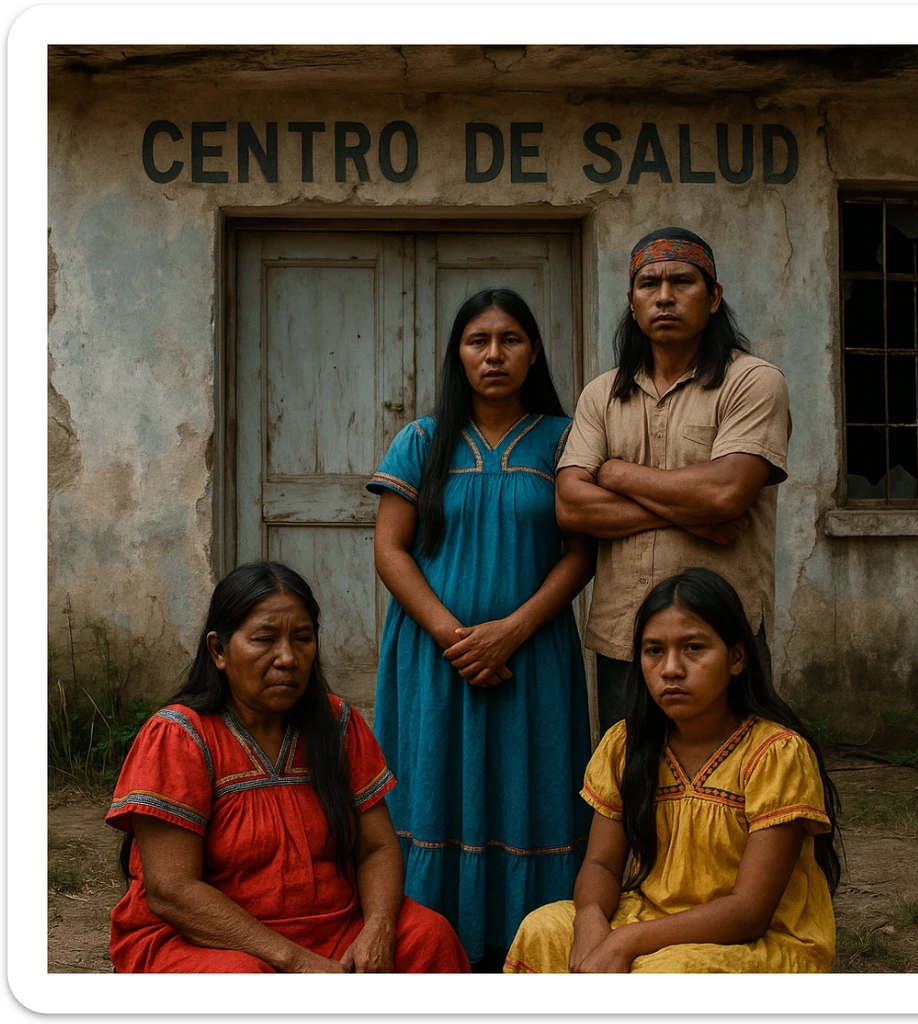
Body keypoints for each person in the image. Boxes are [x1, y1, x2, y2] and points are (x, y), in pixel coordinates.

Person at [367, 288, 595, 969]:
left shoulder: (564, 441)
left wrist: (512, 631)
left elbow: (581, 553)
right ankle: (427, 944)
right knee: (433, 781)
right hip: (433, 657)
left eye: (511, 339)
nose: (494, 354)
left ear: (533, 352)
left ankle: (527, 948)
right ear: (457, 354)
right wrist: (453, 635)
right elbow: (390, 549)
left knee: (532, 782)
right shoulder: (421, 441)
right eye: (477, 340)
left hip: (533, 653)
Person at [105, 561, 470, 973]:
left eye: (303, 639)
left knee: (429, 936)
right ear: (218, 651)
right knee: (245, 982)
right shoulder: (179, 737)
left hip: (334, 927)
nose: (288, 658)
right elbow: (172, 891)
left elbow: (377, 847)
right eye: (264, 639)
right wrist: (298, 964)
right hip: (210, 939)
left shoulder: (338, 724)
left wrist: (379, 928)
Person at [504, 567, 840, 974]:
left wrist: (627, 940)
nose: (671, 669)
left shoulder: (776, 754)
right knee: (543, 930)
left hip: (759, 939)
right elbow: (602, 865)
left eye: (694, 648)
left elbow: (749, 911)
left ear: (736, 658)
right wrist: (589, 916)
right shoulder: (626, 745)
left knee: (667, 975)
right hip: (649, 915)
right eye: (653, 651)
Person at [556, 226, 791, 736]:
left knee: (729, 782)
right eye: (649, 284)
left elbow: (725, 493)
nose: (664, 296)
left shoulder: (752, 381)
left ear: (713, 297)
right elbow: (572, 507)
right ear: (632, 302)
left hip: (719, 639)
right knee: (630, 781)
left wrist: (615, 474)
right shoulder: (601, 395)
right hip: (626, 636)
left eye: (682, 282)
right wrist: (692, 512)